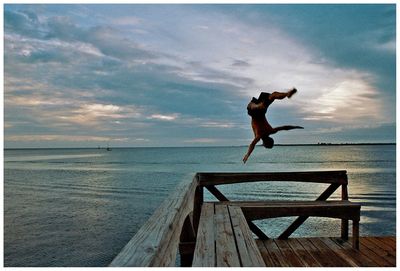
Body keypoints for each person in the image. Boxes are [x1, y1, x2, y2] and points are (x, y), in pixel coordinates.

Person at [243, 88, 303, 163]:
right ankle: (259, 105)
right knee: (252, 107)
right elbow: (252, 145)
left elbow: (284, 128)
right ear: (264, 143)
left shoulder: (270, 131)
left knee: (273, 95)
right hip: (255, 111)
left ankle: (286, 94)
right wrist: (247, 155)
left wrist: (296, 127)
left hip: (261, 110)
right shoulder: (259, 136)